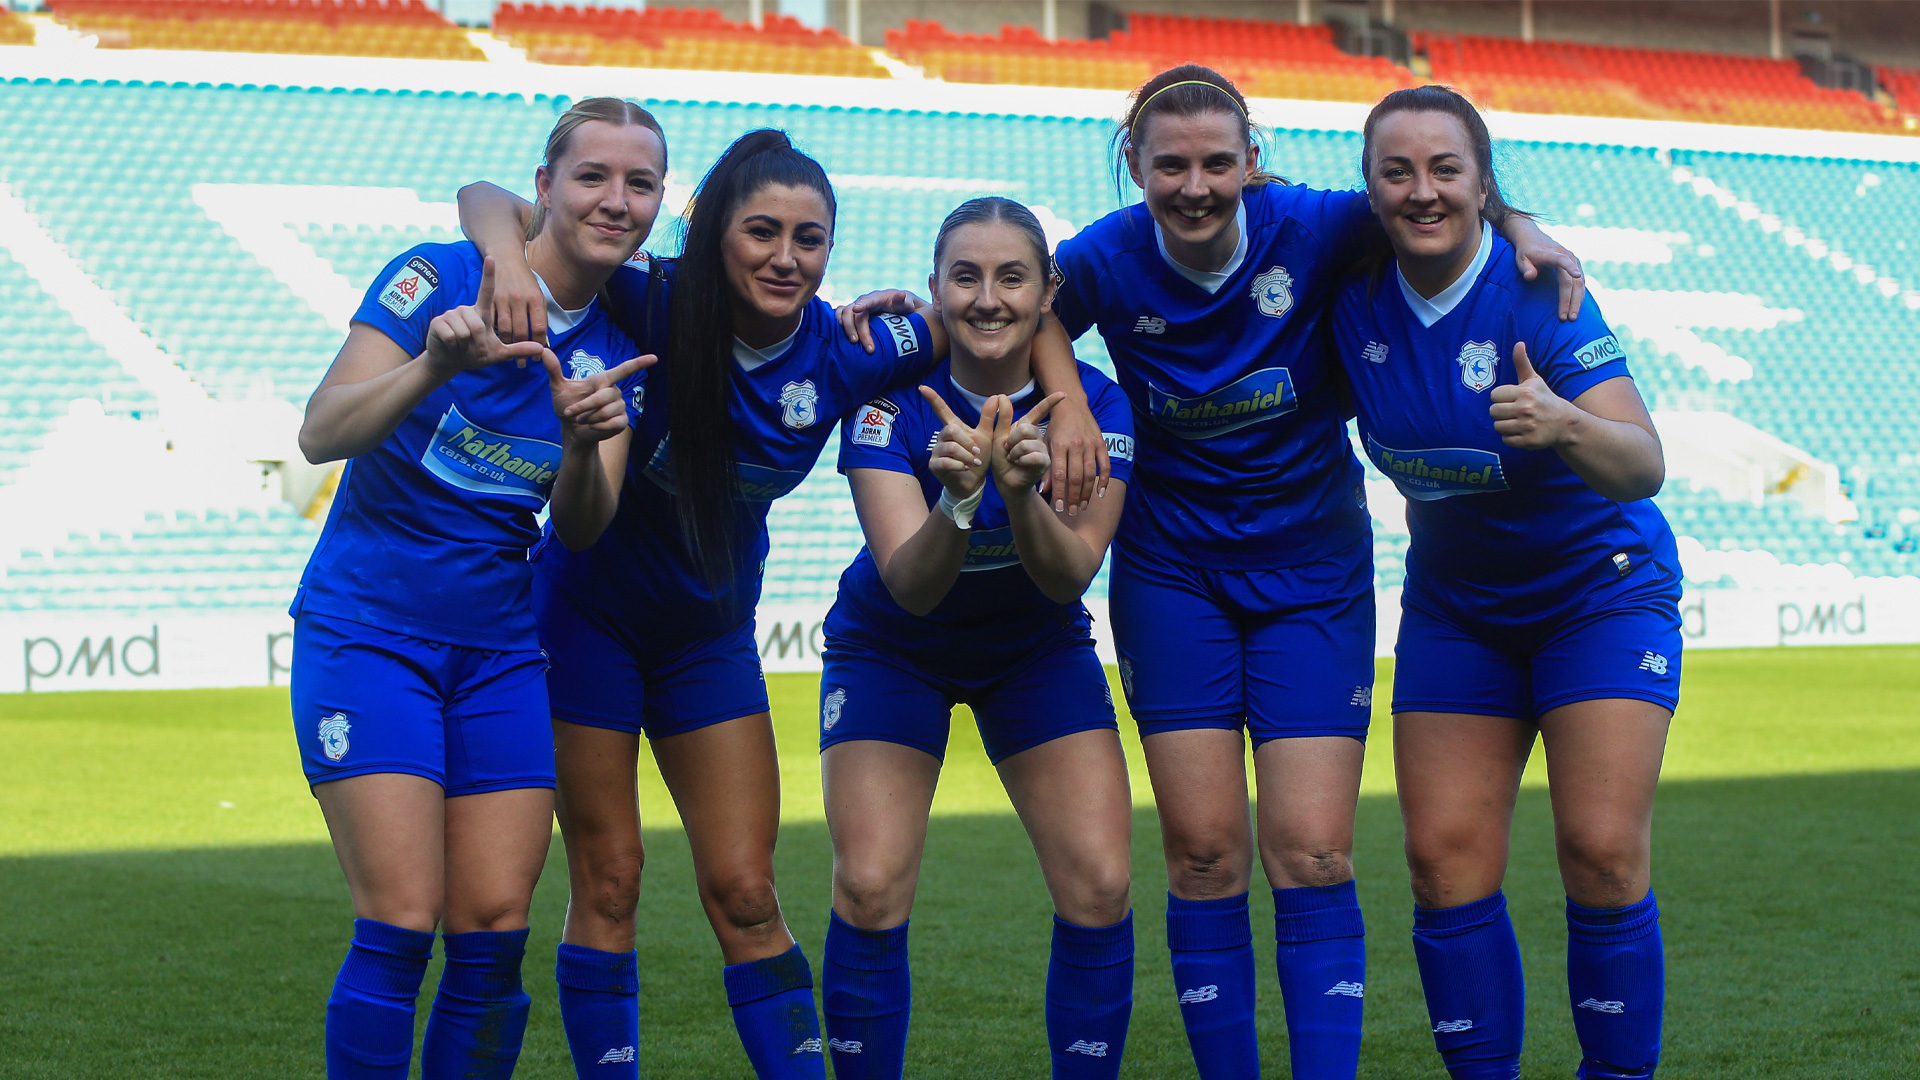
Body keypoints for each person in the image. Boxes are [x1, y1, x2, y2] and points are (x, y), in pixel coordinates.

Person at [456, 132, 1106, 1080]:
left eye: (810, 239)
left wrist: (1072, 400)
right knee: (609, 878)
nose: (785, 257)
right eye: (762, 232)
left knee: (750, 894)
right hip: (584, 624)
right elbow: (487, 195)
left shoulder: (853, 350)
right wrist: (507, 256)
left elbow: (1001, 314)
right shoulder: (653, 302)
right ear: (717, 232)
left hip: (709, 643)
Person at [1045, 65, 1585, 1080]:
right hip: (1173, 577)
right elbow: (1025, 306)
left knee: (1313, 852)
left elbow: (1428, 195)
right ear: (1136, 166)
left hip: (1311, 572)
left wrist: (1523, 226)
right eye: (1170, 164)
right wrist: (1070, 397)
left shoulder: (1318, 226)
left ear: (1252, 162)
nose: (1194, 185)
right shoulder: (1106, 257)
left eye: (1217, 161)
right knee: (1203, 853)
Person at [290, 97, 664, 1080]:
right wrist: (433, 365)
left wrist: (588, 443)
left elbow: (581, 524)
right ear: (545, 187)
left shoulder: (630, 339)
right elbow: (321, 433)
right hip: (370, 633)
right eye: (592, 176)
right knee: (402, 920)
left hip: (499, 653)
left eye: (640, 183)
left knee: (495, 927)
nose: (615, 200)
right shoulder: (442, 275)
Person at [1330, 85, 1677, 1080]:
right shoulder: (1346, 288)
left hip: (1598, 595)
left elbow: (1643, 463)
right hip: (1459, 609)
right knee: (1442, 863)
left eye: (1447, 168)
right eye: (1397, 171)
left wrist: (1564, 424)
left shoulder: (1542, 292)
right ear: (1369, 189)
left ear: (1483, 181)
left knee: (1603, 851)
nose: (1422, 189)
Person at [818, 197, 1137, 1080]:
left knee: (1102, 885)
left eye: (1011, 277)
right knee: (870, 886)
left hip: (1033, 650)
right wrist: (961, 499)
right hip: (894, 650)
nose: (987, 298)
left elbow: (1069, 574)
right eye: (965, 276)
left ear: (1047, 298)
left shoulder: (1097, 408)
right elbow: (912, 587)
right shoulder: (888, 405)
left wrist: (1022, 492)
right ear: (933, 291)